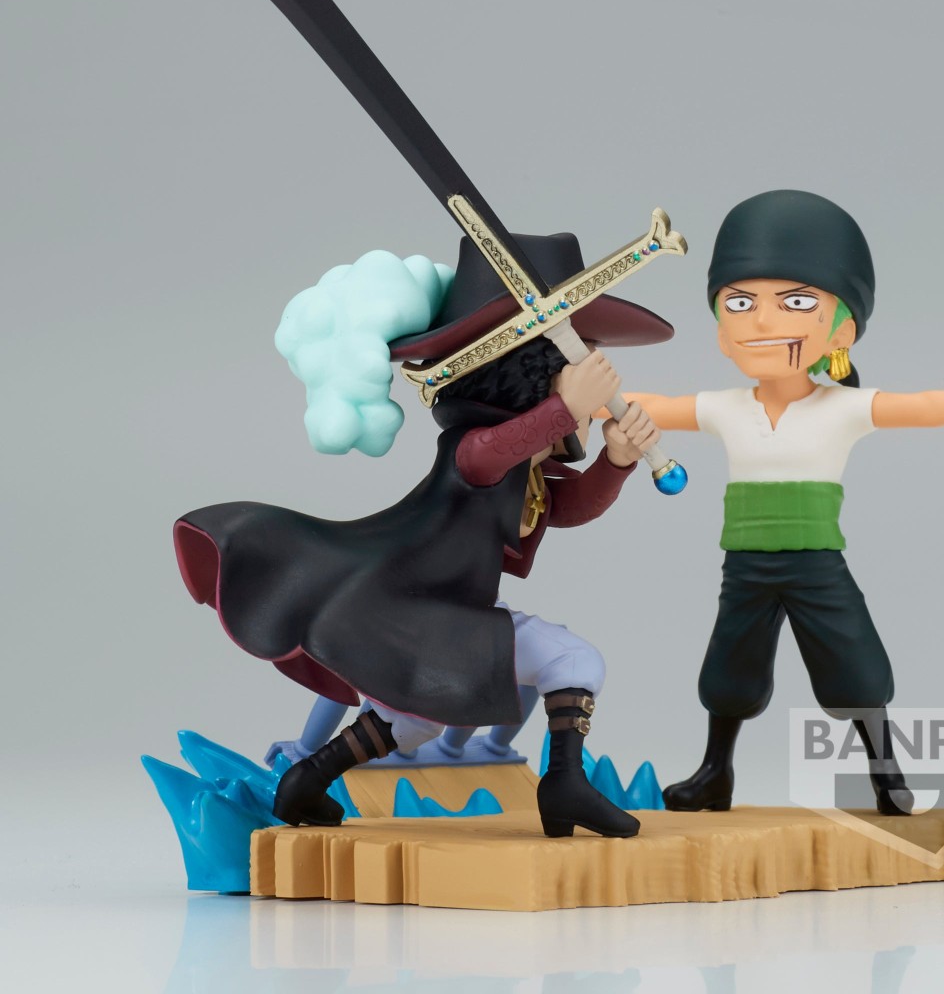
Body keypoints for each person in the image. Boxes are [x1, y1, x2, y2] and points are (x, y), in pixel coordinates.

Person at [174, 231, 668, 838]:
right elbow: (495, 452)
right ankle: (563, 785)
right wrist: (564, 408)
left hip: (448, 614)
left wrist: (616, 461)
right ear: (532, 377)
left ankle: (306, 780)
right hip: (422, 611)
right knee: (571, 660)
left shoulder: (529, 475)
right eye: (579, 369)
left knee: (412, 721)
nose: (596, 403)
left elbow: (569, 507)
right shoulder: (472, 452)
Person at [620, 190, 944, 815]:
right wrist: (580, 395)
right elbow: (651, 406)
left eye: (795, 303)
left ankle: (886, 772)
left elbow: (918, 407)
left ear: (841, 332)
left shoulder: (841, 408)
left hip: (816, 563)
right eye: (740, 303)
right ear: (722, 333)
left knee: (853, 663)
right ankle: (715, 772)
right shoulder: (725, 408)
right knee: (730, 667)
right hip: (745, 564)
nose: (762, 321)